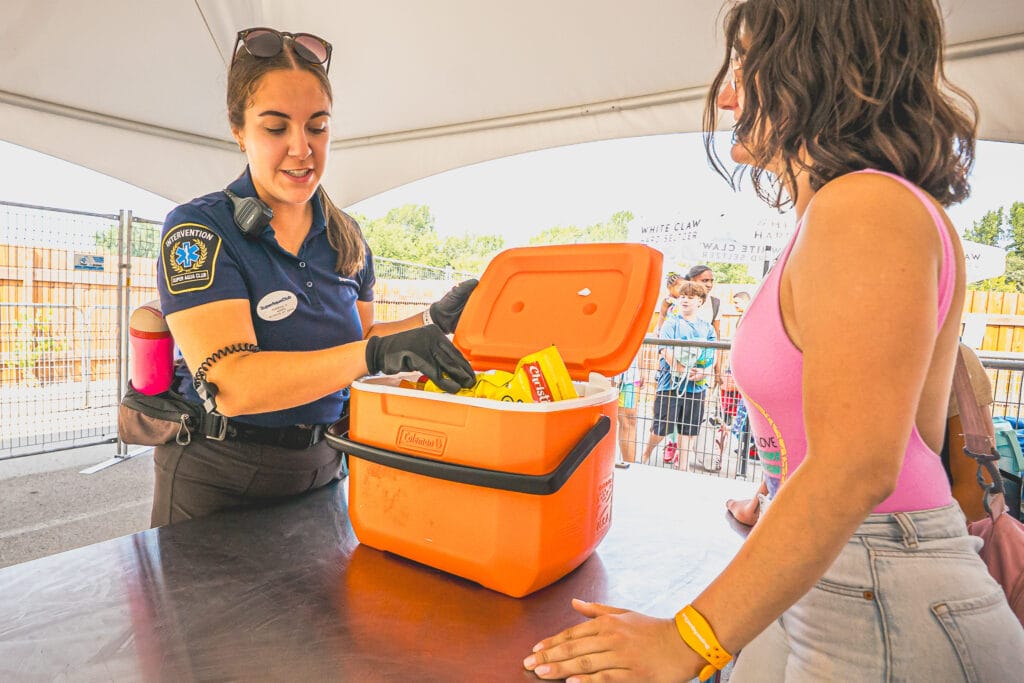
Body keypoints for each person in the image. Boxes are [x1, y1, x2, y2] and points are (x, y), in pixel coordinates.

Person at [523, 1, 1023, 680]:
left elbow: (857, 465)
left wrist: (686, 638)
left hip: (881, 587)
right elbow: (899, 436)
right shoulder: (851, 213)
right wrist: (783, 490)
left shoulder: (864, 208)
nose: (728, 93)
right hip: (847, 576)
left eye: (746, 63)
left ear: (814, 66)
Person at [151, 27, 477, 527]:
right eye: (276, 128)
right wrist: (372, 355)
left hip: (325, 467)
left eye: (317, 126)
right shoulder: (199, 230)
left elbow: (363, 339)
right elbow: (230, 383)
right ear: (239, 131)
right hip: (220, 478)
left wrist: (434, 321)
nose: (302, 149)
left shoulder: (346, 237)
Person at [639, 281, 716, 470]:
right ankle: (646, 454)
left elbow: (712, 355)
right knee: (662, 425)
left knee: (689, 428)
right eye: (682, 296)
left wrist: (704, 372)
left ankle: (683, 467)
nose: (685, 300)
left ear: (700, 301)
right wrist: (680, 367)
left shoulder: (707, 328)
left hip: (696, 386)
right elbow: (664, 348)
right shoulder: (671, 324)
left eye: (690, 297)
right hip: (670, 384)